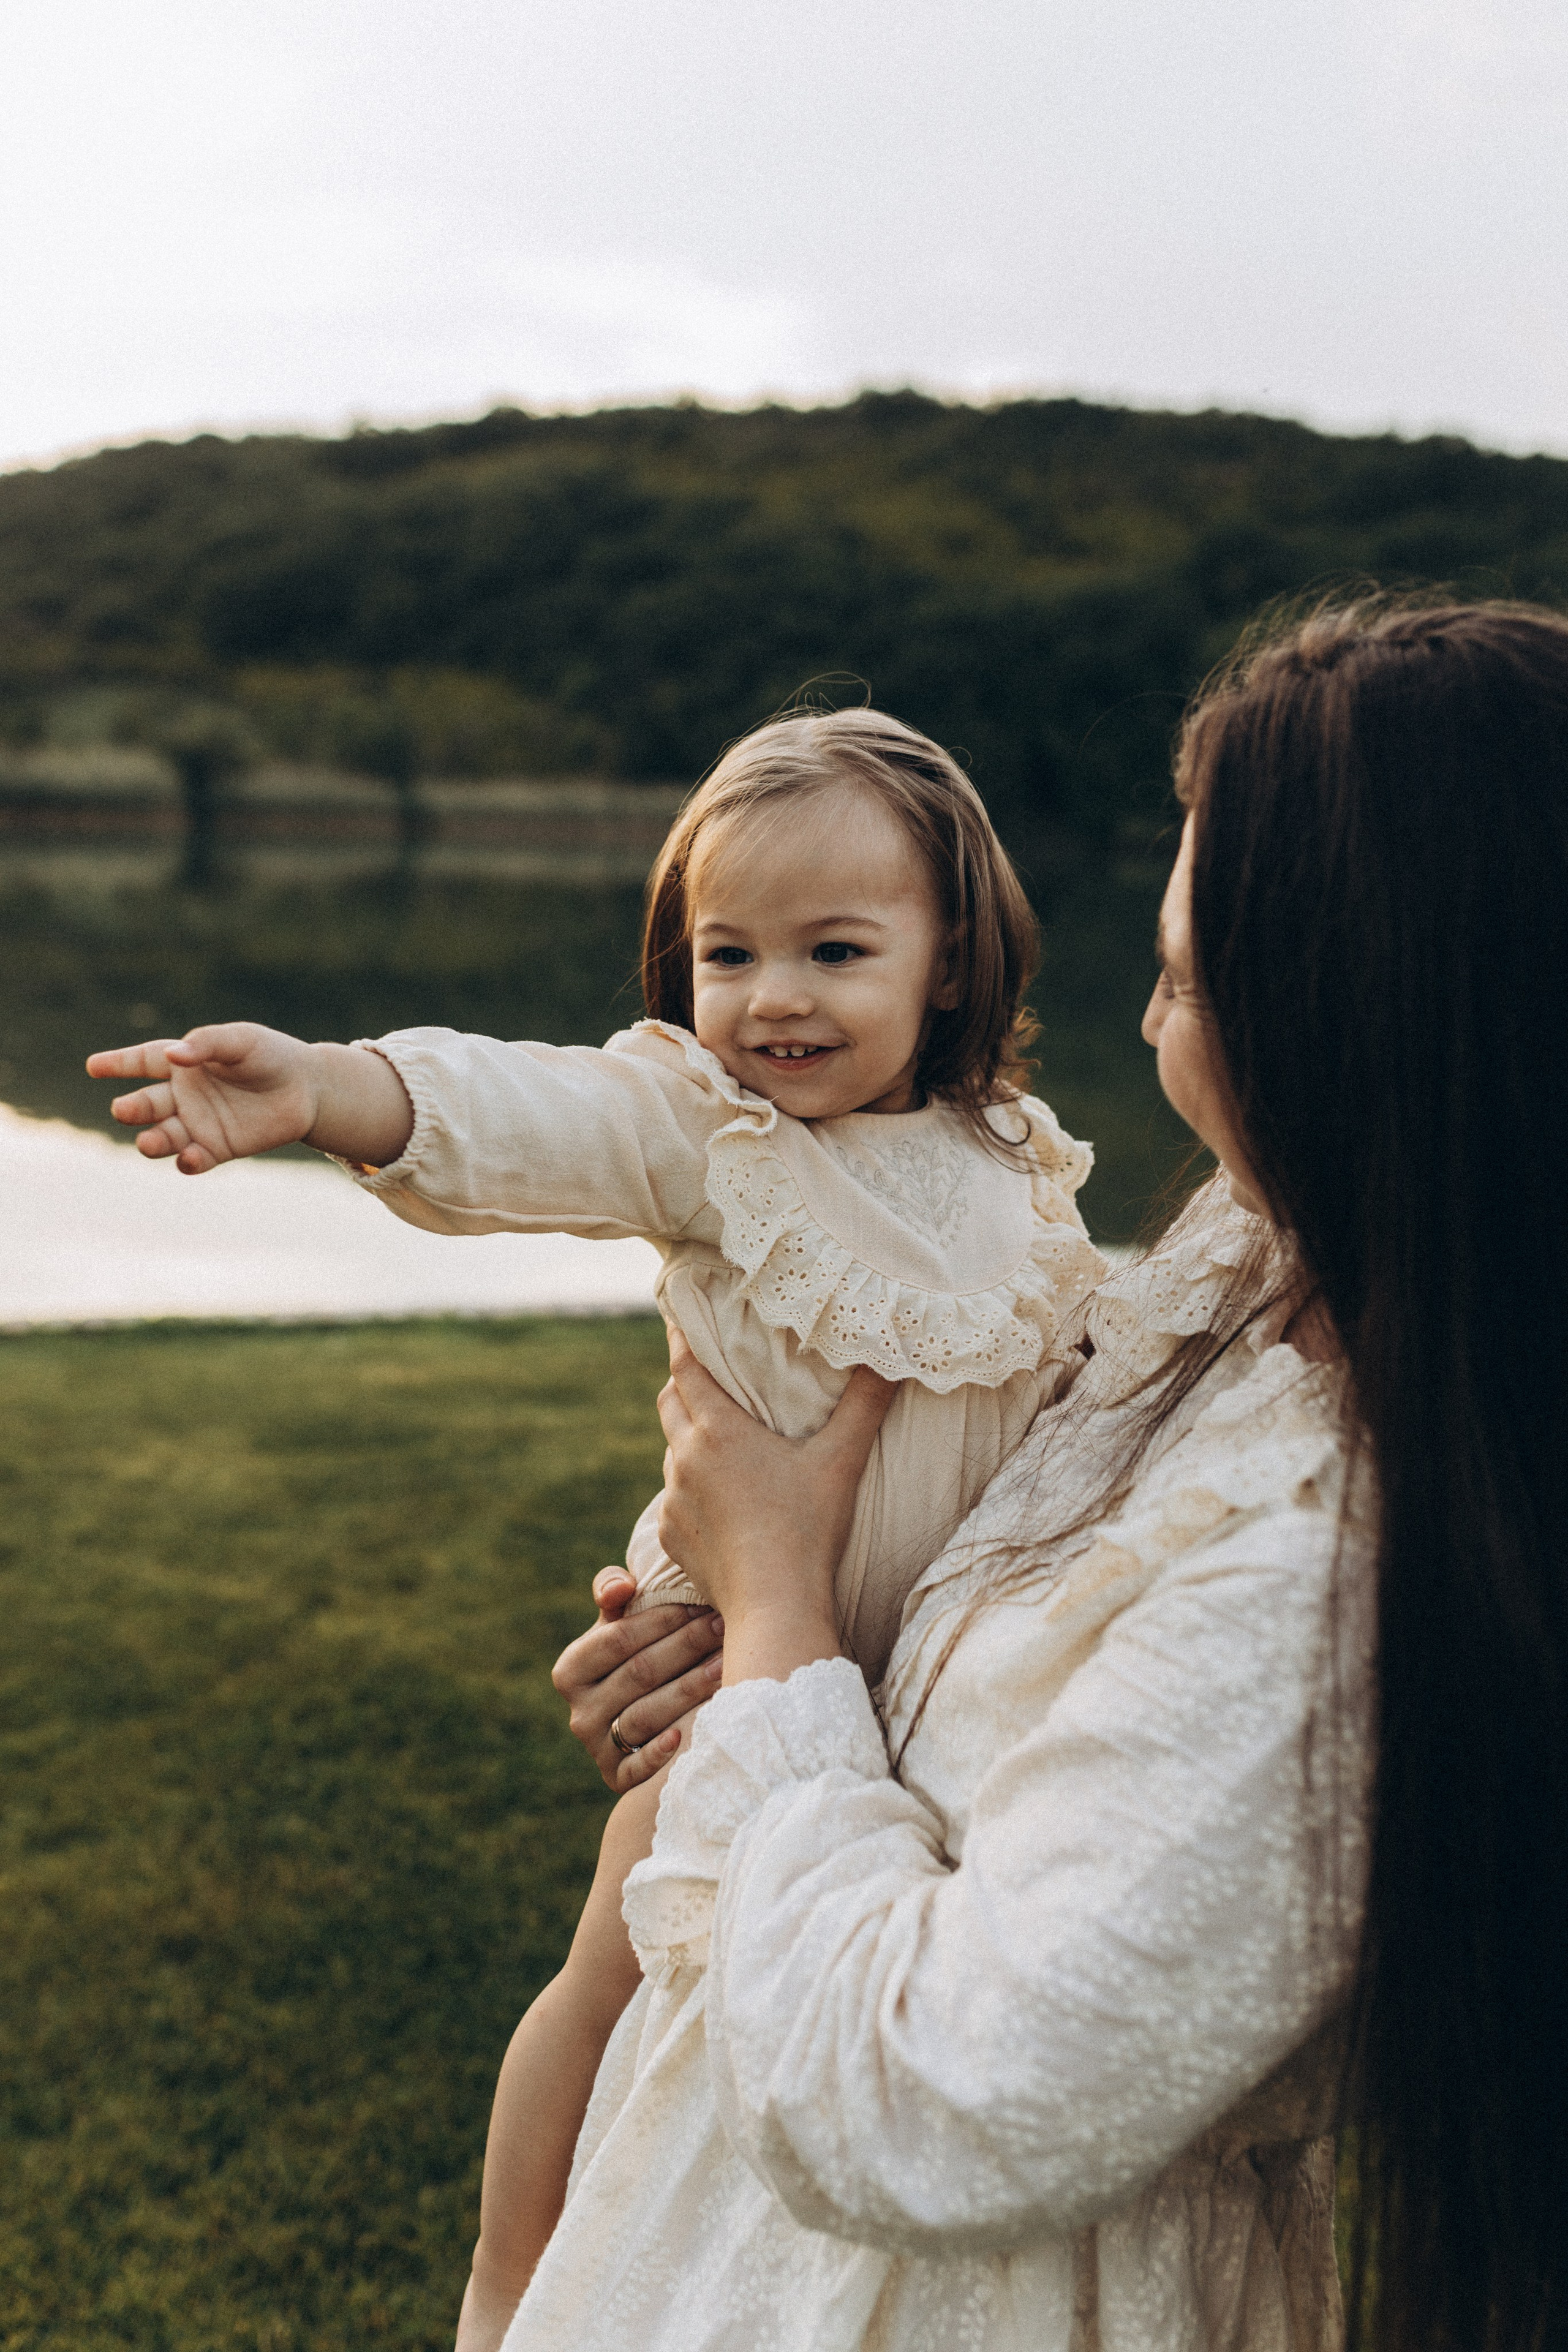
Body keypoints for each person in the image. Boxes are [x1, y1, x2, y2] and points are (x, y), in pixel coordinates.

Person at [529, 601, 1568, 2352]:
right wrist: (741, 1654)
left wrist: (779, 1603)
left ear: (1368, 1023)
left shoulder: (1332, 1571)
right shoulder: (1264, 1275)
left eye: (1183, 979)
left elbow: (944, 2102)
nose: (1152, 1025)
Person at [84, 708, 1107, 2342]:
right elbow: (535, 1115)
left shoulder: (1022, 1170)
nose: (774, 995)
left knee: (819, 2035)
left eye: (836, 949)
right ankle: (510, 2290)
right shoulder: (711, 1134)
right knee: (616, 1971)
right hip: (726, 1684)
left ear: (955, 959)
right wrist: (338, 1090)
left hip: (932, 1705)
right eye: (728, 951)